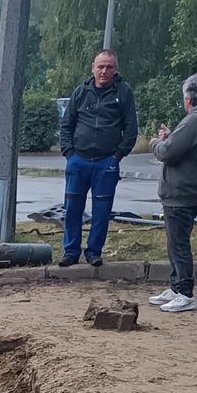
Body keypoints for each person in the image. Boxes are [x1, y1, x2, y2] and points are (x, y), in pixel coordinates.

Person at [148, 71, 197, 315]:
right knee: (175, 241)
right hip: (192, 188)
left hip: (181, 191)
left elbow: (167, 152)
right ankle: (176, 286)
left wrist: (155, 143)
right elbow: (184, 146)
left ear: (189, 98)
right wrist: (171, 138)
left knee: (178, 243)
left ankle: (185, 293)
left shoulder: (194, 120)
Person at [58, 50, 138, 268]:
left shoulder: (124, 92)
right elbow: (66, 125)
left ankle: (93, 252)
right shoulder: (80, 92)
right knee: (73, 208)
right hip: (78, 161)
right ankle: (70, 251)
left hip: (106, 162)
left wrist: (117, 156)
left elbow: (131, 129)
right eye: (100, 66)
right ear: (93, 68)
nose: (104, 71)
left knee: (101, 212)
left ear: (116, 69)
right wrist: (69, 153)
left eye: (109, 67)